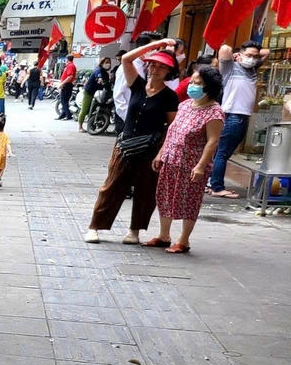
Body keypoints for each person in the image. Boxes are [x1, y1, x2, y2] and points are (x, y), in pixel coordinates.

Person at [85, 39, 179, 244]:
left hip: (150, 149)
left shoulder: (170, 97)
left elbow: (171, 128)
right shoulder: (137, 85)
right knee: (111, 187)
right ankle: (94, 227)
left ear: (169, 71)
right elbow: (127, 59)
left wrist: (162, 152)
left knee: (145, 192)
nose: (156, 69)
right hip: (125, 145)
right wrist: (158, 44)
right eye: (153, 64)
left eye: (162, 66)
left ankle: (134, 230)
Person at [145, 66, 224, 254]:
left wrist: (201, 166)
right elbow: (172, 132)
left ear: (209, 88)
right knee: (164, 197)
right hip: (171, 159)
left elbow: (212, 142)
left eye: (198, 83)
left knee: (189, 201)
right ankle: (164, 235)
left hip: (192, 164)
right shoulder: (185, 105)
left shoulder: (214, 112)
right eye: (192, 82)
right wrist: (161, 154)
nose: (192, 86)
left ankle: (184, 240)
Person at [208, 41, 270, 199]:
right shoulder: (230, 68)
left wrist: (252, 56)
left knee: (221, 153)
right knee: (222, 153)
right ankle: (216, 187)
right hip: (232, 115)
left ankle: (212, 183)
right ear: (239, 55)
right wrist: (235, 55)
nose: (252, 59)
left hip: (240, 116)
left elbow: (267, 52)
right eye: (248, 55)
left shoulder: (253, 70)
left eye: (255, 57)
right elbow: (224, 49)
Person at [114, 33, 161, 135]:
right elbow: (118, 96)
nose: (156, 52)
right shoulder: (127, 68)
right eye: (153, 48)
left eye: (158, 49)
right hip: (126, 118)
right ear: (142, 48)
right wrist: (128, 117)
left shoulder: (149, 67)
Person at [78, 57, 112, 132]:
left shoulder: (106, 74)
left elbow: (107, 84)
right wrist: (99, 78)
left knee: (94, 109)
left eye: (109, 62)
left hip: (99, 94)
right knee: (85, 109)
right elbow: (98, 74)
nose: (108, 64)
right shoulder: (98, 69)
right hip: (89, 92)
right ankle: (80, 126)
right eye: (106, 62)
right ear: (102, 63)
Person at [57, 54, 77, 120]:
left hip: (67, 85)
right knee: (63, 100)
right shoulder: (69, 65)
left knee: (64, 101)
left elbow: (70, 76)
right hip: (67, 84)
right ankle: (63, 114)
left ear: (67, 59)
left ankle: (68, 115)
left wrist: (62, 83)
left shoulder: (70, 66)